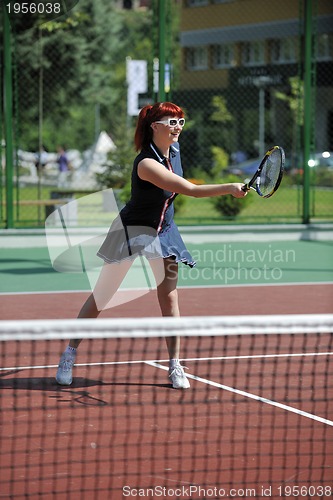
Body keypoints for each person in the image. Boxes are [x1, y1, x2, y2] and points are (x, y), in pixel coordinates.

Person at [55, 102, 247, 389]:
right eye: (172, 122)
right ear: (154, 126)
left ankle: (174, 364)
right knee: (103, 296)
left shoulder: (176, 151)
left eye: (181, 122)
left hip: (164, 231)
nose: (178, 127)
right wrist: (229, 187)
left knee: (169, 298)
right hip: (133, 230)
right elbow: (190, 190)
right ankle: (69, 353)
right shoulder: (146, 163)